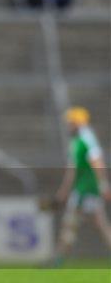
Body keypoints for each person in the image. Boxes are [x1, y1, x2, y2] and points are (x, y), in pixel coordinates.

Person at [53, 107, 111, 266]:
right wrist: (64, 191)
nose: (68, 125)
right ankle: (58, 258)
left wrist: (104, 186)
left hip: (86, 189)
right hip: (82, 189)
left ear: (78, 122)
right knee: (99, 224)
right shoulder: (76, 141)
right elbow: (73, 170)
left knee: (70, 223)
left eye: (71, 122)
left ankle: (58, 259)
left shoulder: (87, 138)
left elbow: (97, 162)